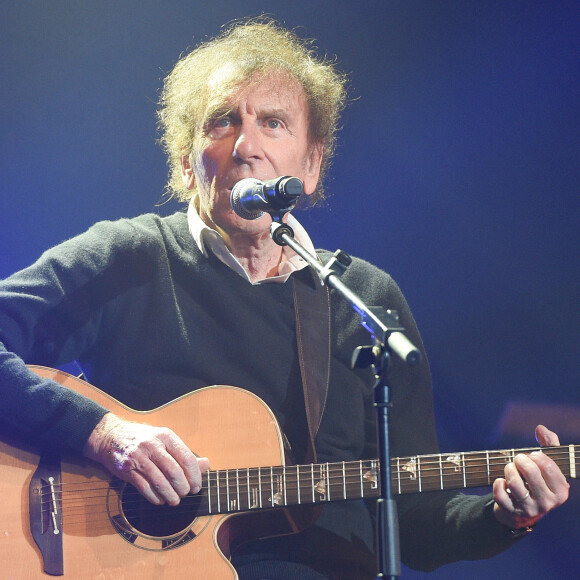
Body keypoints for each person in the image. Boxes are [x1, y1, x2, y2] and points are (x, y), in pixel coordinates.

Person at [0, 18, 569, 579]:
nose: (246, 146)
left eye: (273, 123)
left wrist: (504, 517)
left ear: (311, 165)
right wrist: (103, 434)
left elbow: (415, 529)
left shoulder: (363, 301)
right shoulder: (129, 258)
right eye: (222, 122)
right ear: (185, 162)